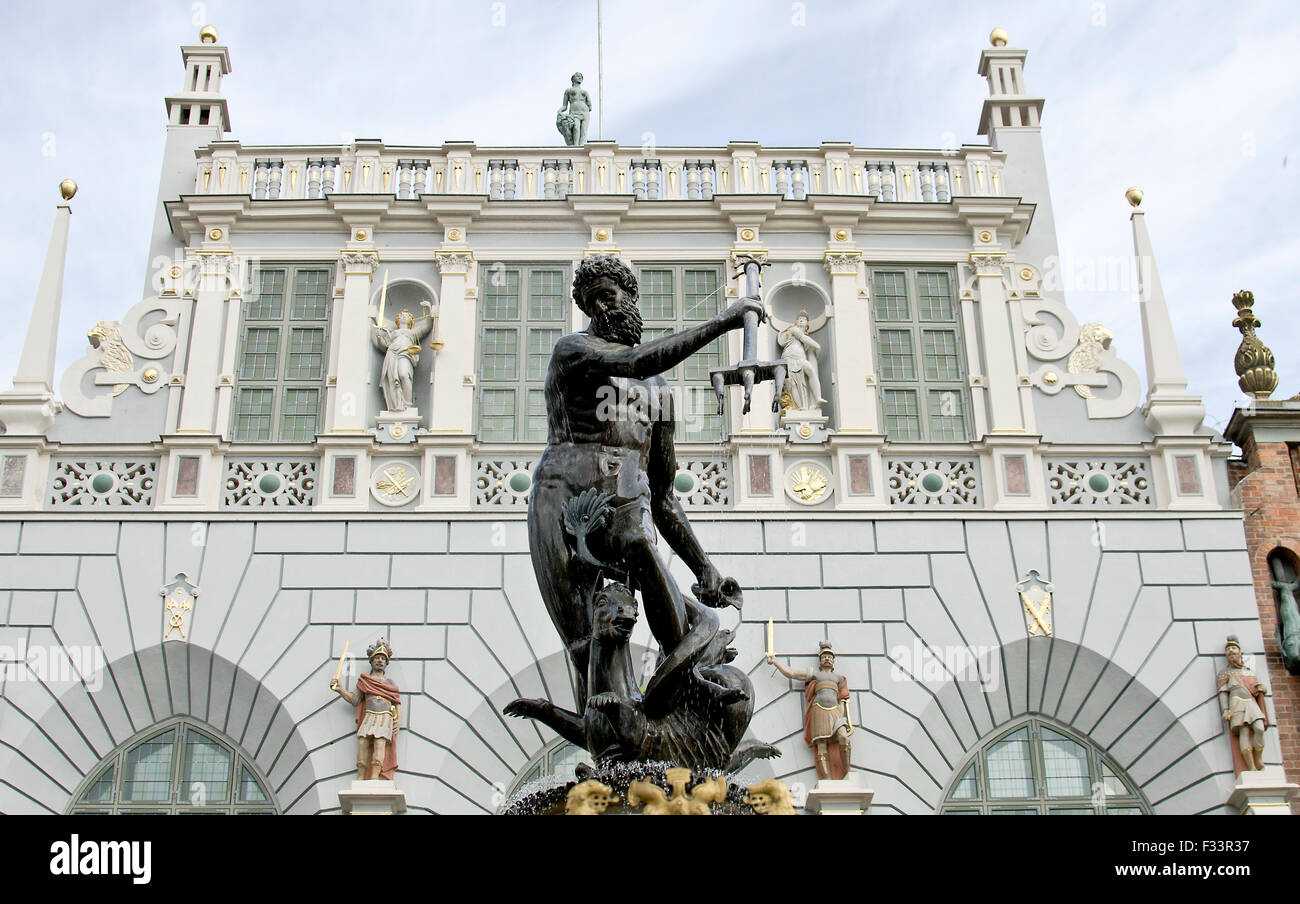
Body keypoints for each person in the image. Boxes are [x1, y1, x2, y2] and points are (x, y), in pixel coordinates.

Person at [527, 254, 762, 705]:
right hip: (564, 505)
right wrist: (723, 323)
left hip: (627, 507)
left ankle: (682, 675)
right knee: (588, 651)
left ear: (631, 298)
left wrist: (704, 568)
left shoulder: (658, 393)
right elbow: (634, 361)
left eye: (609, 297)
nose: (602, 309)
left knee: (637, 537)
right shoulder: (573, 351)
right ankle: (611, 747)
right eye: (592, 302)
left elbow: (665, 498)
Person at [767, 641, 852, 780]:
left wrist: (840, 715)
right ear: (820, 660)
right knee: (821, 745)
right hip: (819, 710)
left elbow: (843, 699)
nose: (827, 658)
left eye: (830, 656)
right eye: (824, 656)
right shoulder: (815, 675)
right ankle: (826, 779)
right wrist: (775, 661)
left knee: (843, 737)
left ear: (834, 660)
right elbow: (792, 673)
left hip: (835, 711)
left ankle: (847, 770)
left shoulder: (839, 678)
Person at [330, 638, 401, 781]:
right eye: (377, 658)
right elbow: (355, 700)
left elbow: (396, 702)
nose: (380, 661)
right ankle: (361, 776)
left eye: (382, 658)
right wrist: (340, 689)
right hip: (369, 716)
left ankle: (375, 777)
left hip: (384, 717)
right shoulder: (365, 681)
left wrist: (398, 719)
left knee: (380, 745)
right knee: (363, 743)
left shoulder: (390, 683)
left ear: (386, 663)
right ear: (372, 661)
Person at [1218, 636, 1269, 772]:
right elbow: (1223, 692)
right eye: (1228, 649)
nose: (1230, 651)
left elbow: (1256, 688)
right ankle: (1250, 766)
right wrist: (1225, 709)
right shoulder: (1225, 673)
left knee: (1259, 728)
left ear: (1240, 652)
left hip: (1251, 702)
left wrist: (1262, 689)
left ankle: (1258, 758)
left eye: (1233, 648)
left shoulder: (1248, 671)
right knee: (1244, 731)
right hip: (1236, 703)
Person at [372, 303, 433, 413]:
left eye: (407, 316)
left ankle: (407, 405)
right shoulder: (392, 332)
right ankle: (395, 405)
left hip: (405, 354)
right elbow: (384, 346)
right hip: (392, 354)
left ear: (410, 321)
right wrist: (379, 337)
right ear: (397, 320)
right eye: (402, 316)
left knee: (404, 375)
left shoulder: (413, 332)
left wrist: (428, 309)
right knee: (391, 379)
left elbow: (428, 325)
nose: (404, 317)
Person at [778, 310, 825, 411]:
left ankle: (817, 398)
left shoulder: (805, 336)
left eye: (803, 319)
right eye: (799, 319)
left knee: (811, 370)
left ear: (807, 323)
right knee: (793, 384)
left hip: (800, 359)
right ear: (796, 322)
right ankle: (800, 407)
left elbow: (806, 341)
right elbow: (803, 338)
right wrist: (817, 346)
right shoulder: (794, 329)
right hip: (789, 358)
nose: (801, 321)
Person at [556, 72, 591, 147]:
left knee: (584, 131)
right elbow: (564, 106)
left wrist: (586, 107)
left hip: (585, 113)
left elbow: (590, 105)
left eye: (581, 76)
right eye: (577, 76)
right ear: (573, 79)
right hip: (574, 113)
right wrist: (559, 111)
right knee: (576, 128)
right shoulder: (568, 91)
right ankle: (575, 148)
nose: (579, 77)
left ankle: (581, 148)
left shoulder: (585, 92)